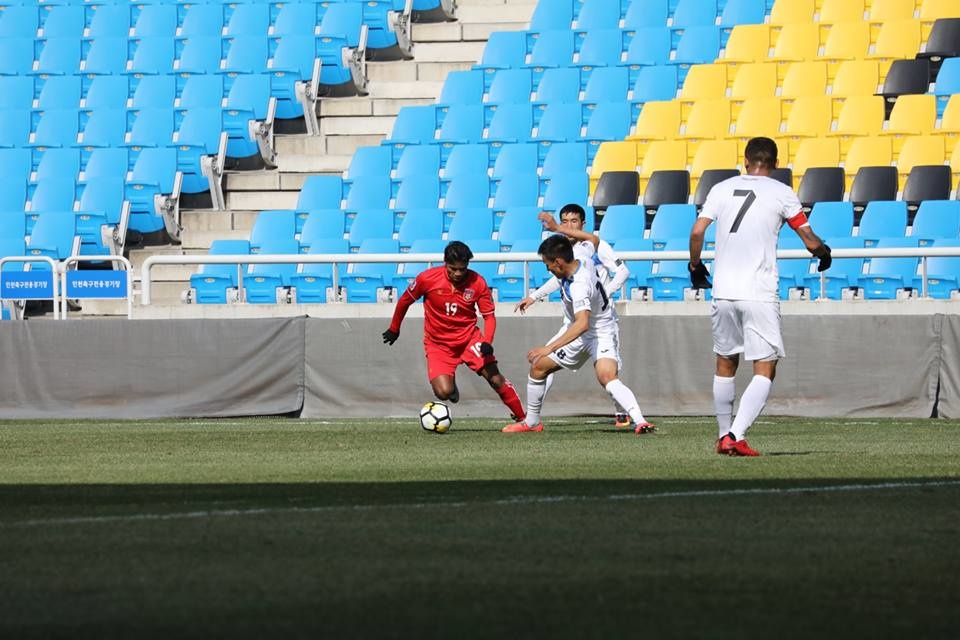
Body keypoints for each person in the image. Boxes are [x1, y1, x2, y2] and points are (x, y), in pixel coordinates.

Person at [688, 137, 832, 457]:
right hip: (758, 292)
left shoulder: (721, 188)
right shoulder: (781, 192)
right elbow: (809, 240)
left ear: (745, 161)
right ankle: (735, 435)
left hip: (723, 291)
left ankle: (723, 434)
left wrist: (695, 266)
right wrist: (823, 252)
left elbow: (697, 232)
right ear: (776, 164)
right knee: (765, 367)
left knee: (725, 362)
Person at [503, 234, 654, 434]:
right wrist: (534, 296)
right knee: (539, 367)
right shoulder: (581, 256)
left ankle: (640, 421)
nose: (547, 269)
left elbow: (582, 324)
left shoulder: (579, 285)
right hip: (580, 329)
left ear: (558, 262)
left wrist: (549, 348)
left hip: (599, 331)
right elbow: (594, 240)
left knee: (607, 376)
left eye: (548, 264)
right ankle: (531, 422)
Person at [382, 240, 526, 422]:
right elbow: (404, 301)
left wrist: (487, 342)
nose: (458, 273)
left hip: (469, 339)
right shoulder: (427, 279)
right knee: (443, 392)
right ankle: (451, 384)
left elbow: (489, 317)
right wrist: (394, 328)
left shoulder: (478, 282)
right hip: (438, 344)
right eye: (453, 269)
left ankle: (523, 418)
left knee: (495, 378)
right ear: (445, 263)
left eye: (462, 269)